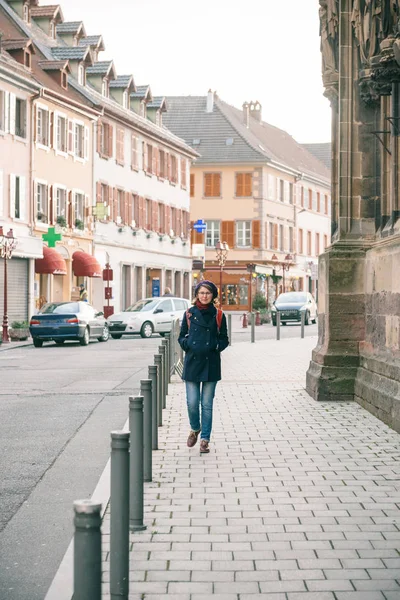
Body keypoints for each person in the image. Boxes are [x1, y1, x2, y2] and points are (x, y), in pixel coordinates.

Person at [178, 280, 229, 454]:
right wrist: (188, 344)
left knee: (206, 404)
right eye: (201, 293)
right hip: (192, 362)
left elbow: (224, 339)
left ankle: (205, 439)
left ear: (213, 295)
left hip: (211, 363)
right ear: (197, 295)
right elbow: (181, 336)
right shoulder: (189, 314)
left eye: (207, 293)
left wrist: (215, 346)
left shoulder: (219, 315)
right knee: (192, 402)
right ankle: (195, 428)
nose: (204, 296)